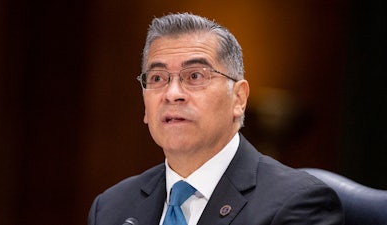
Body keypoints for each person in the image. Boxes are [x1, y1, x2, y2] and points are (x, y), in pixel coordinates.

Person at [88, 13, 344, 225]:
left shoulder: (297, 204)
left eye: (195, 76)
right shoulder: (111, 208)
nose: (172, 94)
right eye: (157, 78)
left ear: (239, 98)